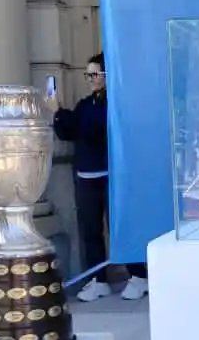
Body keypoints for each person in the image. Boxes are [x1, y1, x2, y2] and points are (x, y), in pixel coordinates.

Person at [46, 52, 149, 302]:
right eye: (88, 75)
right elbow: (69, 131)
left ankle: (138, 276)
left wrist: (62, 113)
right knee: (90, 230)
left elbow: (93, 128)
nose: (91, 79)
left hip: (112, 176)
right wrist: (57, 112)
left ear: (107, 75)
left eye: (95, 74)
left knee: (120, 228)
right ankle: (98, 280)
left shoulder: (116, 102)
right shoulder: (86, 104)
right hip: (87, 176)